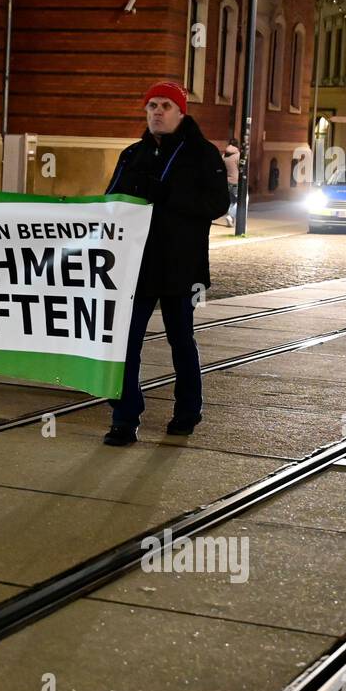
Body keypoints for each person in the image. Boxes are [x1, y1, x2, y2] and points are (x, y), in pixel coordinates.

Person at [102, 80, 231, 446]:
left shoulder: (203, 154)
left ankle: (188, 411)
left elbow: (217, 204)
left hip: (182, 267)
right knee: (125, 344)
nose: (157, 112)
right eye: (152, 106)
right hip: (136, 267)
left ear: (180, 112)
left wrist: (169, 196)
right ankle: (124, 419)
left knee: (180, 340)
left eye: (165, 106)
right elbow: (109, 201)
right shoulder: (132, 154)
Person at [221, 137, 240, 227]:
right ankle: (230, 216)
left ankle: (231, 219)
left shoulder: (225, 155)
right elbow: (241, 168)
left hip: (226, 181)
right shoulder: (238, 155)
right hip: (236, 182)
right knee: (241, 200)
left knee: (232, 201)